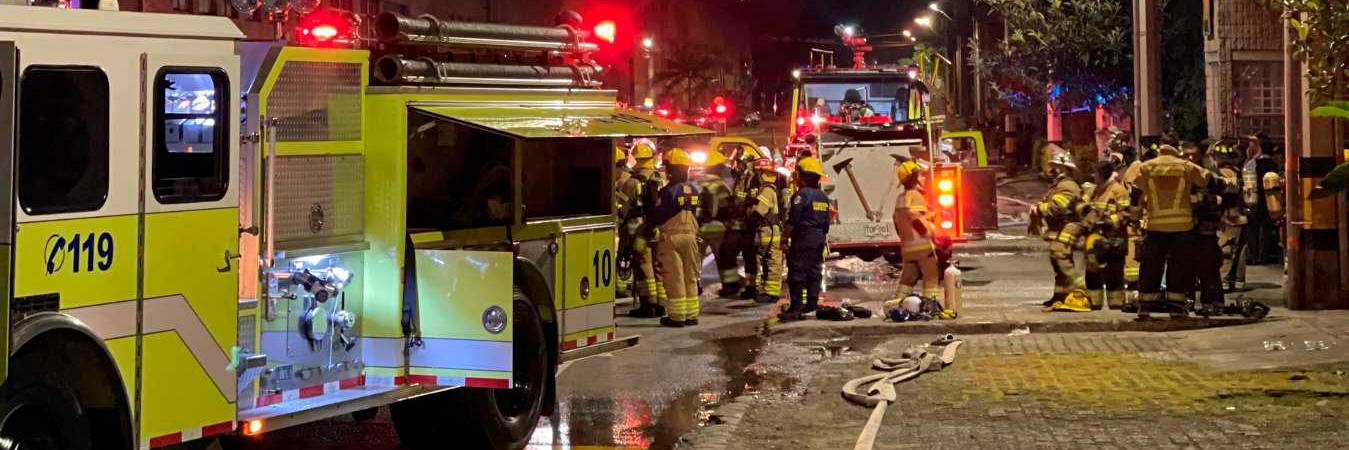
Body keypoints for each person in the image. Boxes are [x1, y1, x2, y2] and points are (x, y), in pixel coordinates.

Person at [1126, 144, 1211, 318]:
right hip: (1182, 225)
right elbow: (1205, 179)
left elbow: (1136, 193)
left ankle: (1145, 305)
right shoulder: (1186, 166)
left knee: (1151, 265)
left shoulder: (1147, 167)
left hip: (1156, 225)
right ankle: (1177, 306)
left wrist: (1134, 217)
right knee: (1179, 265)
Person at [649, 149, 702, 327]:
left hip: (672, 238)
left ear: (671, 169)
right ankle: (691, 315)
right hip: (691, 237)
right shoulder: (693, 190)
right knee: (690, 275)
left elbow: (659, 214)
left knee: (675, 276)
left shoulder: (668, 191)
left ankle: (677, 317)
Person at [1187, 143, 1239, 315]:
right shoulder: (1181, 175)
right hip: (1183, 231)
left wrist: (1201, 200)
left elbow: (1223, 195)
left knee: (1208, 268)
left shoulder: (1210, 176)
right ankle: (1185, 304)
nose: (1190, 159)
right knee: (1185, 269)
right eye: (1186, 155)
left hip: (1205, 230)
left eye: (1194, 155)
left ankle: (1214, 302)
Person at [780, 157, 832, 321]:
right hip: (818, 238)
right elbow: (826, 222)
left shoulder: (801, 195)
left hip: (803, 238)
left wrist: (784, 238)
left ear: (803, 176)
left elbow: (793, 219)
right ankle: (812, 304)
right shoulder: (823, 197)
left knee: (797, 272)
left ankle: (795, 307)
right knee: (814, 271)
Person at [1031, 146, 1083, 307]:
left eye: (1055, 166)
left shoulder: (1067, 185)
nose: (1051, 169)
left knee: (1061, 259)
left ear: (1064, 168)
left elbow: (1058, 207)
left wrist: (1040, 208)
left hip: (1067, 227)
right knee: (1057, 260)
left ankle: (1079, 294)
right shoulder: (1060, 184)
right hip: (1060, 228)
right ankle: (1060, 296)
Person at [1083, 155, 1131, 310]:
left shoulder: (1118, 191)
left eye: (1095, 173)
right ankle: (1094, 303)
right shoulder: (1094, 191)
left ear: (1103, 174)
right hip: (1095, 241)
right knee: (1093, 274)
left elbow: (1126, 214)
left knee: (1114, 275)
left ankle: (1116, 304)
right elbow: (1086, 209)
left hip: (1114, 241)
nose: (1093, 176)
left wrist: (1109, 222)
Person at [892, 156, 942, 302]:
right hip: (922, 247)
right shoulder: (916, 196)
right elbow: (916, 220)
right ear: (915, 178)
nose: (923, 178)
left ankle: (897, 303)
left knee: (908, 278)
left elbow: (897, 220)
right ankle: (930, 304)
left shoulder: (900, 197)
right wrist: (932, 232)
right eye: (920, 175)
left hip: (907, 248)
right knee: (931, 275)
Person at [696, 148, 743, 297]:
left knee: (695, 260)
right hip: (716, 227)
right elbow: (725, 207)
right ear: (716, 167)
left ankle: (693, 285)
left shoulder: (697, 182)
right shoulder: (719, 185)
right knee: (724, 257)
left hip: (698, 227)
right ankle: (730, 286)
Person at [626, 142, 664, 318]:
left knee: (643, 266)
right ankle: (661, 304)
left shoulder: (632, 182)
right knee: (658, 266)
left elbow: (623, 209)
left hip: (639, 231)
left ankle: (648, 304)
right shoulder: (660, 178)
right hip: (658, 228)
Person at [1210, 141, 1248, 291]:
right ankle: (1237, 281)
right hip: (1238, 216)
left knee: (1225, 249)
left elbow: (1225, 191)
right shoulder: (1237, 171)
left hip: (1228, 218)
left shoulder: (1225, 173)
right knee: (1239, 251)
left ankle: (1224, 281)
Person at [746, 158, 784, 304]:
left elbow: (760, 211)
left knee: (771, 261)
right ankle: (769, 291)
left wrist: (750, 214)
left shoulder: (767, 190)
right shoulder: (772, 188)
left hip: (768, 231)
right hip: (771, 230)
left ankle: (772, 293)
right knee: (770, 260)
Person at [1240, 134, 1282, 265]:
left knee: (1252, 229)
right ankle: (1263, 256)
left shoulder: (1252, 164)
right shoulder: (1275, 165)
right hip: (1270, 202)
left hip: (1253, 201)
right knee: (1266, 229)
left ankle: (1253, 256)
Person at [613, 144, 639, 298]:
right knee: (622, 255)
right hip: (622, 225)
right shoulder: (623, 179)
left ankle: (621, 286)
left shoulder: (625, 182)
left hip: (626, 225)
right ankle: (620, 286)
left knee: (624, 255)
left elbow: (624, 205)